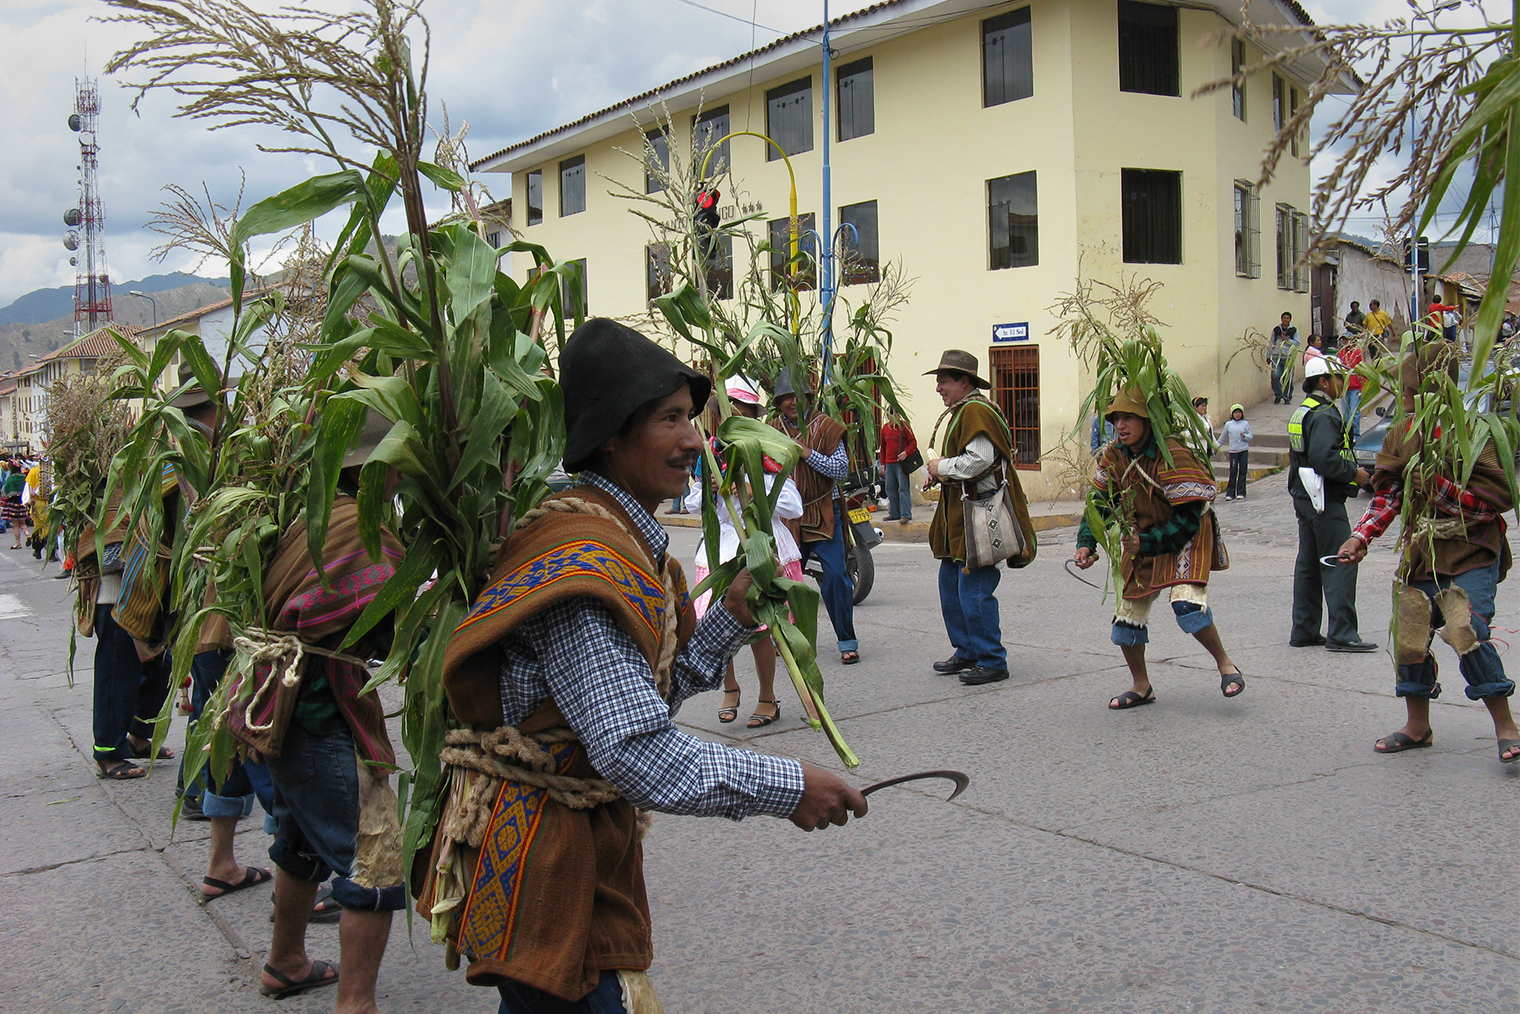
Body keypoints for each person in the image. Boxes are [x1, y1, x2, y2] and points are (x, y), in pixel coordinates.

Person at [427, 318, 866, 1012]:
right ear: (609, 433)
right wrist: (791, 786)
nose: (695, 439)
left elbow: (645, 696)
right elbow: (636, 749)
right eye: (670, 419)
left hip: (574, 856)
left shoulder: (624, 538)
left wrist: (731, 617)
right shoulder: (578, 565)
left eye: (692, 418)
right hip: (547, 867)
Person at [226, 410, 408, 1005]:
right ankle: (357, 1003)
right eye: (397, 469)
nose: (403, 481)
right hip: (317, 716)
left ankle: (286, 961)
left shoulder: (309, 514)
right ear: (373, 471)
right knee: (375, 862)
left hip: (274, 709)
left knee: (302, 839)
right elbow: (390, 629)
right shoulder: (362, 533)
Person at [1338, 346, 1519, 764]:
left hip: (1473, 547)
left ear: (1440, 388)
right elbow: (1388, 496)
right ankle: (1417, 725)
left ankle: (1506, 726)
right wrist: (1360, 537)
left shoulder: (1475, 431)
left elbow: (1490, 504)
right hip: (1424, 551)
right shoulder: (1402, 432)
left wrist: (1438, 486)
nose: (1405, 398)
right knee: (1410, 632)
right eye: (1404, 389)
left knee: (1465, 628)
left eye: (1414, 390)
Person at [1073, 386, 1243, 707]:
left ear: (1148, 420)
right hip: (1142, 537)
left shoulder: (1173, 453)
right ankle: (1141, 686)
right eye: (1116, 419)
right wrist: (1086, 543)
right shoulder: (1113, 455)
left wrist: (1148, 542)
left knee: (1187, 606)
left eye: (1129, 418)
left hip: (1184, 536)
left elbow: (1190, 517)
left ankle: (1225, 664)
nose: (1120, 426)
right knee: (1126, 621)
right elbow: (1099, 503)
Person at [686, 376, 806, 727]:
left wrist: (751, 490)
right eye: (727, 411)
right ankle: (730, 687)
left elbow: (792, 505)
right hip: (719, 548)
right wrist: (710, 491)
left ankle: (768, 696)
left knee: (761, 628)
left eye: (741, 411)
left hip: (761, 547)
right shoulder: (710, 455)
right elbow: (693, 504)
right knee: (717, 624)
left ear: (753, 416)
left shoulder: (768, 455)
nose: (733, 418)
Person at [74, 464, 180, 779]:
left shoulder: (165, 475)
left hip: (150, 595)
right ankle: (107, 752)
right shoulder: (118, 492)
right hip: (116, 595)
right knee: (117, 671)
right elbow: (108, 556)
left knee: (161, 666)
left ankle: (138, 736)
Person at [923, 350, 1018, 686]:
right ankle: (967, 649)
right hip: (959, 514)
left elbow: (979, 460)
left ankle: (992, 659)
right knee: (950, 584)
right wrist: (941, 473)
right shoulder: (965, 410)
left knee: (974, 588)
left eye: (944, 381)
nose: (938, 388)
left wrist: (941, 467)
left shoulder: (976, 410)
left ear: (964, 382)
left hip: (978, 514)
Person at [1287, 356, 1376, 653]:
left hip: (1304, 496)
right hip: (1324, 498)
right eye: (1338, 377)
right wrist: (1356, 473)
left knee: (1309, 565)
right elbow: (1325, 458)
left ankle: (1305, 629)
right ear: (1324, 382)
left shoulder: (1303, 411)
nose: (1343, 383)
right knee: (1341, 561)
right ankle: (1342, 633)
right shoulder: (1325, 414)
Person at [771, 368, 860, 664]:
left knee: (835, 575)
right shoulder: (770, 429)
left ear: (807, 397)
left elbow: (840, 471)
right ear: (778, 401)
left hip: (824, 510)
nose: (791, 403)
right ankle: (787, 638)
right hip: (786, 514)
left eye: (796, 396)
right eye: (785, 398)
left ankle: (847, 639)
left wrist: (807, 453)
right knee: (781, 579)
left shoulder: (828, 427)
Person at [879, 413, 918, 523]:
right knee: (890, 489)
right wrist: (883, 462)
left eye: (894, 415)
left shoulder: (904, 426)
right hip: (889, 463)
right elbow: (883, 447)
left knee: (903, 488)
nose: (892, 418)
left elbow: (913, 443)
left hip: (901, 463)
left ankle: (905, 514)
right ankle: (894, 513)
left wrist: (906, 453)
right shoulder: (885, 428)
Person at [1220, 404, 1252, 501]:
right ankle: (1230, 493)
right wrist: (1216, 447)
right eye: (1235, 412)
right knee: (1233, 471)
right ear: (1232, 414)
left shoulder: (1245, 424)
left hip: (1243, 451)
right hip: (1233, 452)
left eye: (1239, 412)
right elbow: (1222, 437)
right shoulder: (1228, 424)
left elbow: (1250, 437)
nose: (1237, 414)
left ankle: (1241, 492)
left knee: (1243, 471)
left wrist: (1244, 436)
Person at [1339, 339, 1366, 442]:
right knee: (1346, 413)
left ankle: (1355, 434)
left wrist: (1362, 383)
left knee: (1354, 412)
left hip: (1355, 386)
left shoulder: (1358, 352)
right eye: (1344, 340)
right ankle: (1346, 433)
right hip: (1345, 387)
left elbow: (1363, 368)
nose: (1346, 342)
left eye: (1348, 340)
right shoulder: (1342, 353)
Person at [1269, 312, 1299, 404]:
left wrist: (1288, 340)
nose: (1285, 320)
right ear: (1281, 319)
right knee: (1275, 376)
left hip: (1288, 357)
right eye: (1284, 318)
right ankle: (1278, 394)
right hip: (1276, 357)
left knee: (1288, 378)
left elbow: (1297, 343)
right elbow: (1271, 343)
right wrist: (1268, 356)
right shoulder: (1276, 330)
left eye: (1287, 318)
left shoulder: (1293, 330)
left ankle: (1287, 396)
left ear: (1290, 320)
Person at [2, 459, 29, 549]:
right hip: (22, 502)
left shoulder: (10, 478)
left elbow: (5, 491)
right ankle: (28, 535)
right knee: (22, 522)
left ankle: (18, 543)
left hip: (12, 503)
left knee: (15, 524)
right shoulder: (23, 477)